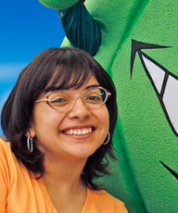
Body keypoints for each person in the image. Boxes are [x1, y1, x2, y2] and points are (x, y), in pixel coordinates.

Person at [0, 47, 127, 212]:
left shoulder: (113, 209)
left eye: (93, 97)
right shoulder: (5, 164)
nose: (81, 112)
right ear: (29, 124)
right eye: (59, 99)